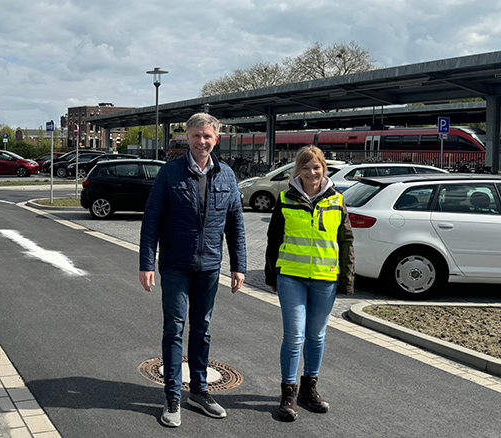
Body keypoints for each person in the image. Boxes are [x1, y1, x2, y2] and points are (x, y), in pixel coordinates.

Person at [139, 112, 246, 427]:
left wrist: (239, 266)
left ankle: (198, 392)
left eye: (207, 136)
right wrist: (147, 263)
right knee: (174, 330)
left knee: (202, 329)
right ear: (187, 137)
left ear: (217, 138)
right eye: (196, 135)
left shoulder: (226, 175)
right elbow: (151, 222)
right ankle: (172, 396)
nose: (202, 141)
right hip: (175, 266)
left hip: (210, 268)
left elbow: (236, 226)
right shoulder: (170, 174)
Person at [264, 145, 354, 422]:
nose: (311, 172)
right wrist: (271, 275)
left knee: (316, 337)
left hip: (325, 278)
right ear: (298, 170)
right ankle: (288, 393)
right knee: (294, 336)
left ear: (323, 169)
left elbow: (346, 242)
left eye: (316, 167)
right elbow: (273, 239)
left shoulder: (337, 200)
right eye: (305, 167)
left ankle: (309, 389)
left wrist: (346, 280)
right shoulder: (285, 199)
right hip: (291, 276)